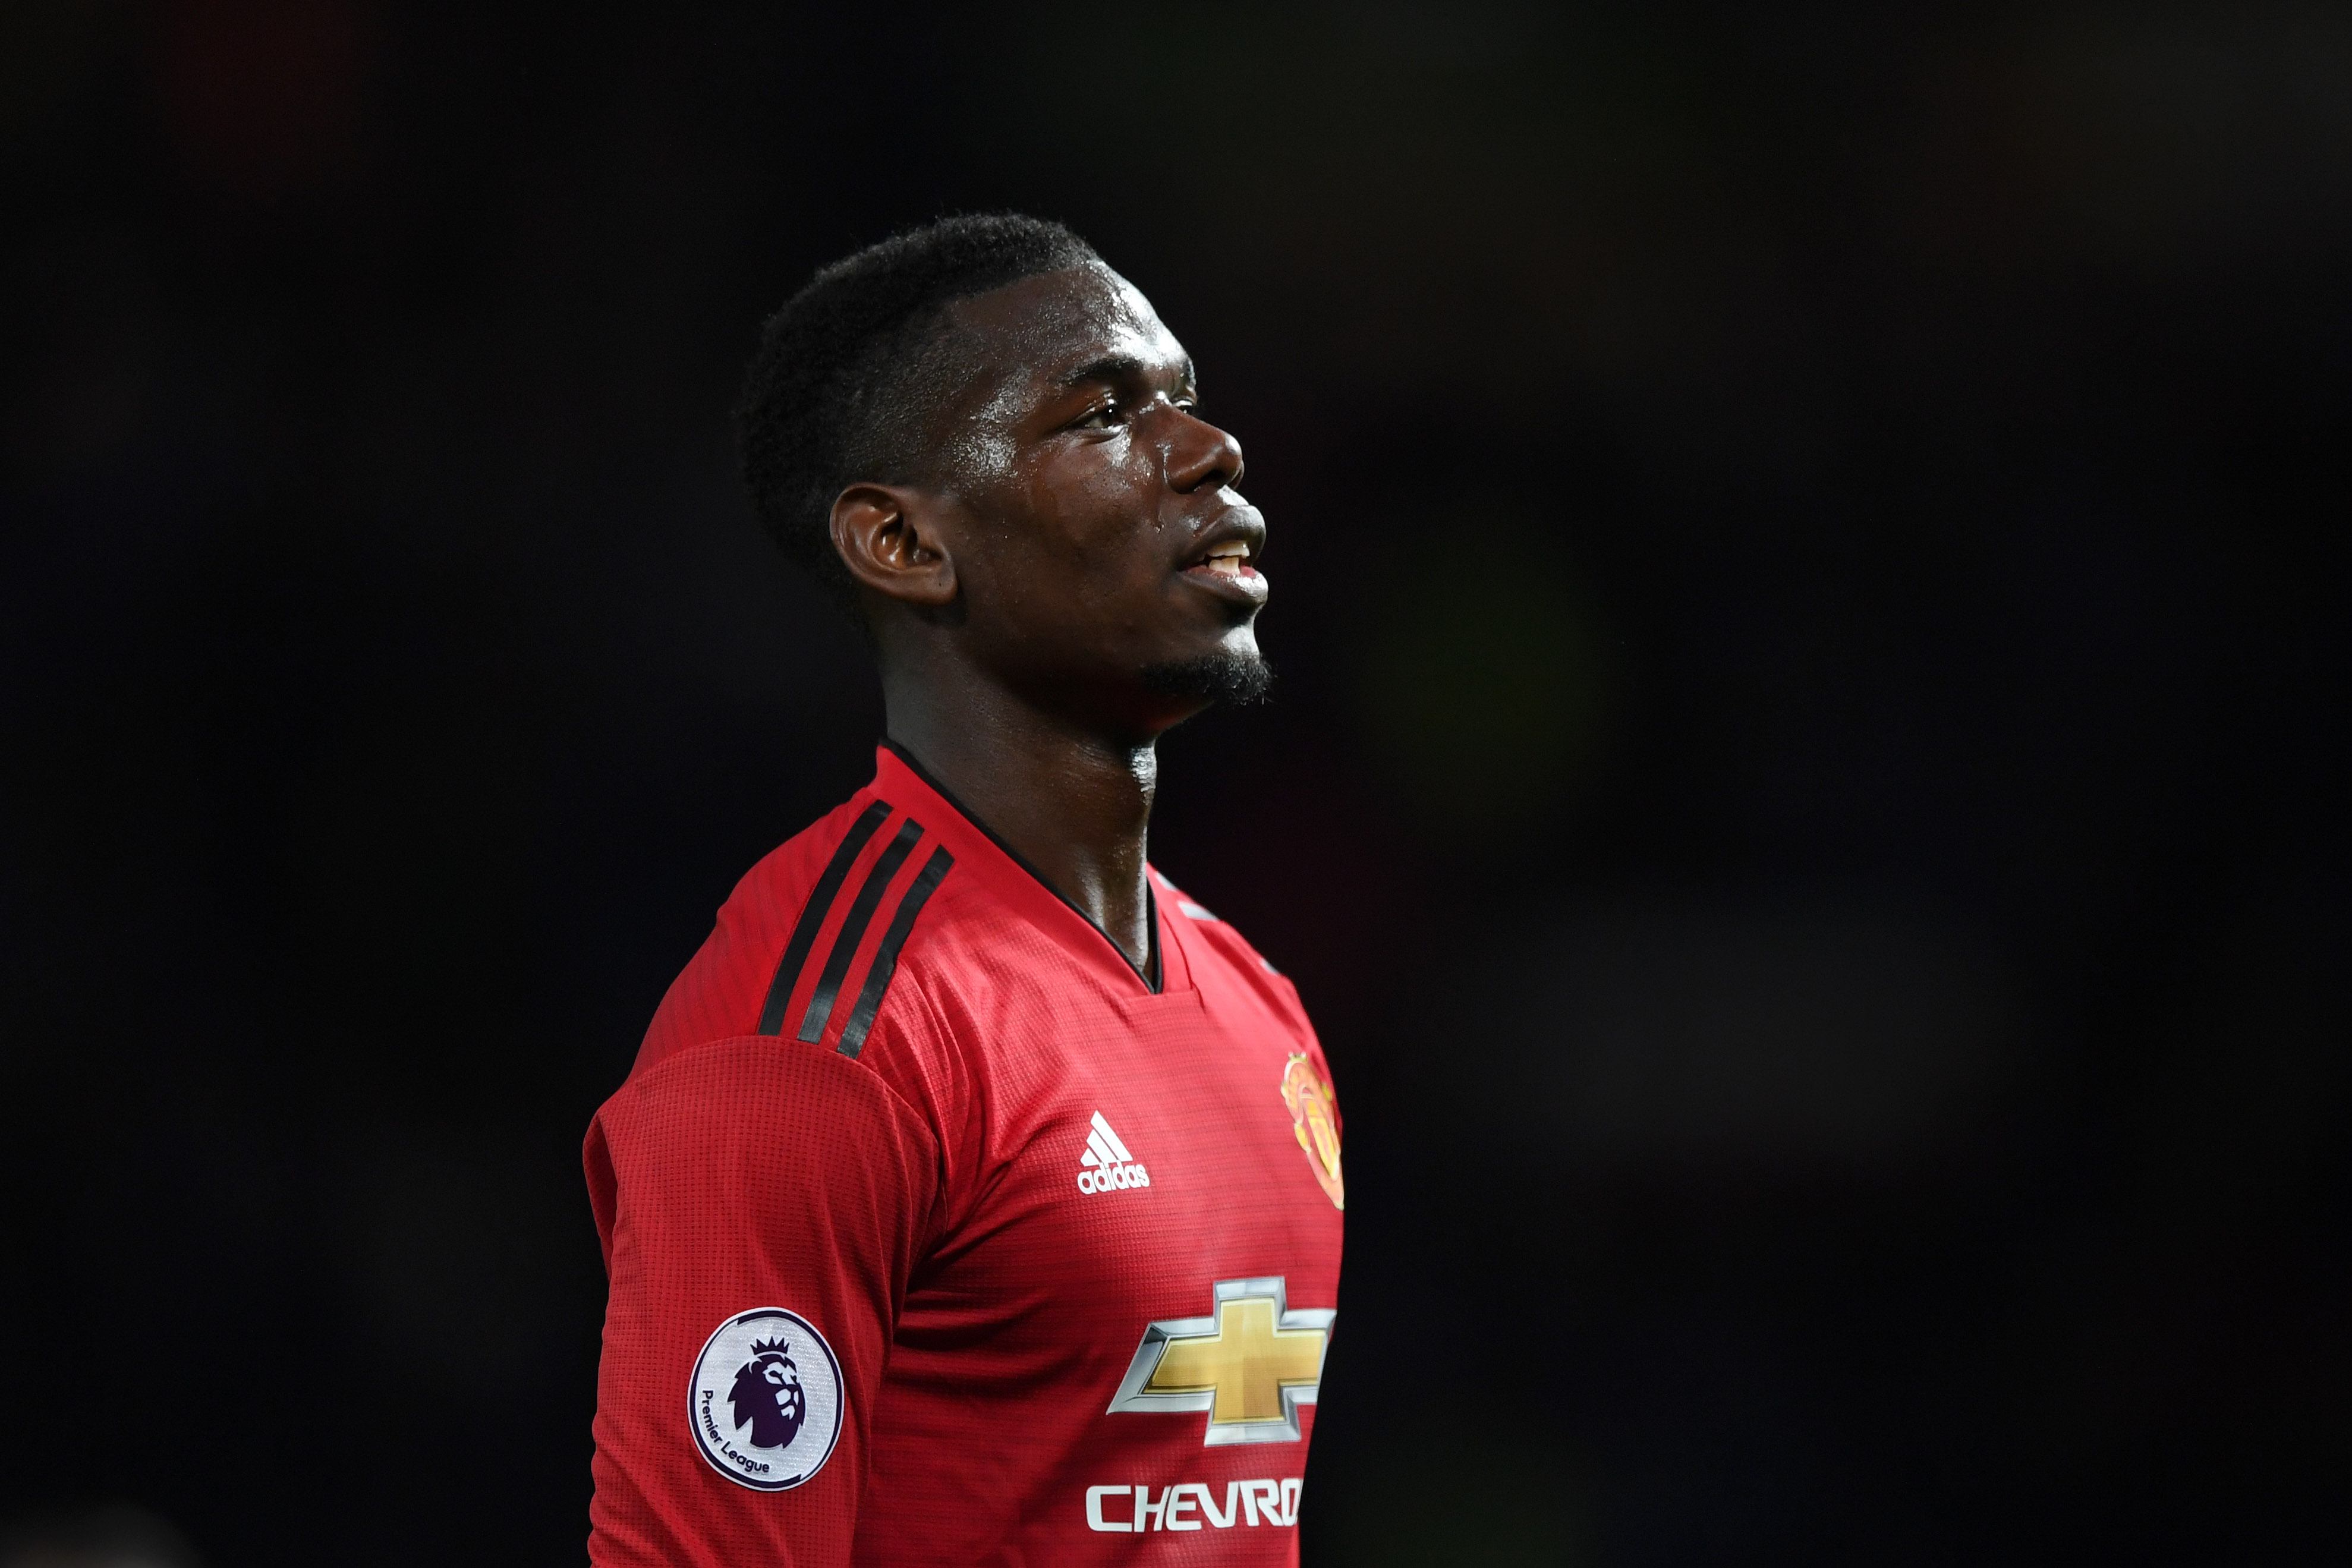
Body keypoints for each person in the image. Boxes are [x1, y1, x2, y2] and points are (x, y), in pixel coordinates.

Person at [583, 215, 1345, 1566]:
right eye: (1102, 415)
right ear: (903, 543)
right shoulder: (815, 1037)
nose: (1207, 450)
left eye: (1184, 398)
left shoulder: (1255, 1003)